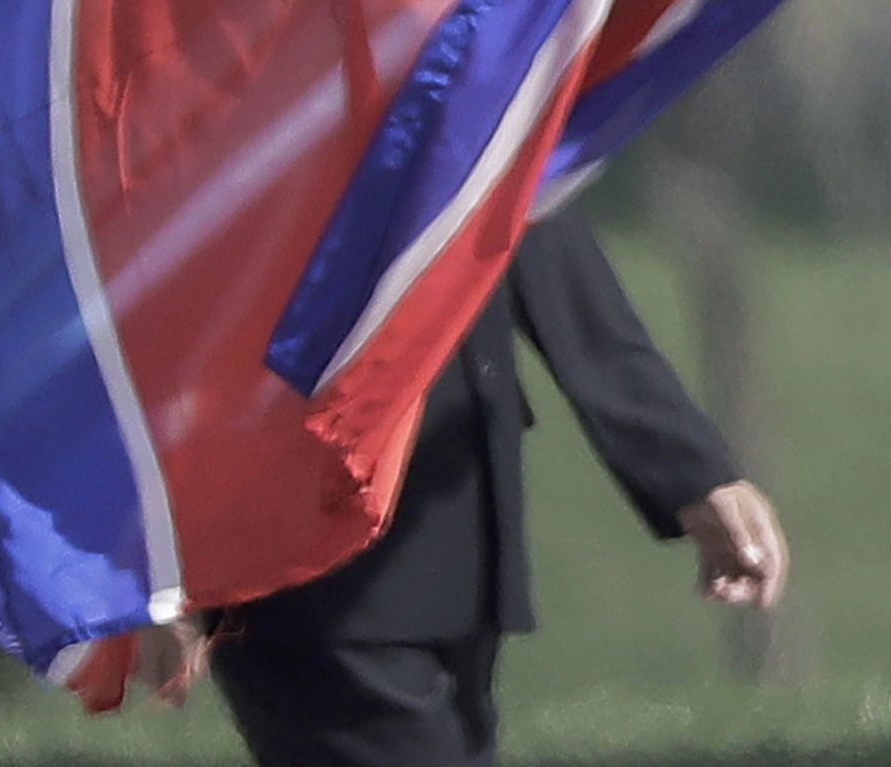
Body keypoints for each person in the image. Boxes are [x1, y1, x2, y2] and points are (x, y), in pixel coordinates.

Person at [141, 207, 788, 766]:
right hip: (302, 539)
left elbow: (526, 193)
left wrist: (687, 467)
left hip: (456, 525)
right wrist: (155, 546)